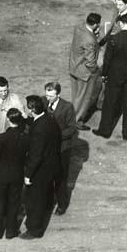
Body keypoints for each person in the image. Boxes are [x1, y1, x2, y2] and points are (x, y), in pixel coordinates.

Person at [93, 14, 127, 141]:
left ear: (122, 24)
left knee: (109, 102)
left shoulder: (114, 39)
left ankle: (105, 130)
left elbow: (107, 60)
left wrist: (105, 74)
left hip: (114, 75)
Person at [93, 0, 127, 113]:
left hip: (121, 56)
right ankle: (102, 103)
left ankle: (112, 105)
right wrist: (101, 43)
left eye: (120, 5)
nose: (118, 7)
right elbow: (111, 31)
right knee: (106, 77)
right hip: (111, 50)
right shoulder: (117, 13)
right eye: (117, 4)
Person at [21, 95, 61, 239]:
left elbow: (36, 155)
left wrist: (28, 175)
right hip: (51, 166)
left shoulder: (38, 130)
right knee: (45, 196)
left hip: (40, 170)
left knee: (34, 200)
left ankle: (34, 230)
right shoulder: (49, 120)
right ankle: (40, 221)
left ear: (32, 110)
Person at [0, 108, 29, 239]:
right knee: (14, 202)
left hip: (2, 175)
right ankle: (11, 231)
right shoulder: (26, 138)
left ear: (8, 120)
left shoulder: (2, 137)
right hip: (17, 174)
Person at [43, 82, 77, 215]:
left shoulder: (67, 107)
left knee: (61, 178)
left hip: (62, 149)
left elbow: (71, 128)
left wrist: (55, 136)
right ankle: (48, 201)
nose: (48, 99)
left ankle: (62, 204)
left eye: (51, 96)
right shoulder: (43, 101)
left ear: (58, 94)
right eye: (47, 95)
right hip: (47, 148)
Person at [70, 12, 102, 128]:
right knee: (83, 99)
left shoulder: (78, 28)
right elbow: (90, 62)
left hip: (74, 67)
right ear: (95, 25)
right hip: (85, 74)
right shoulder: (90, 40)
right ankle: (77, 120)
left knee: (76, 96)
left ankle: (72, 116)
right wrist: (97, 71)